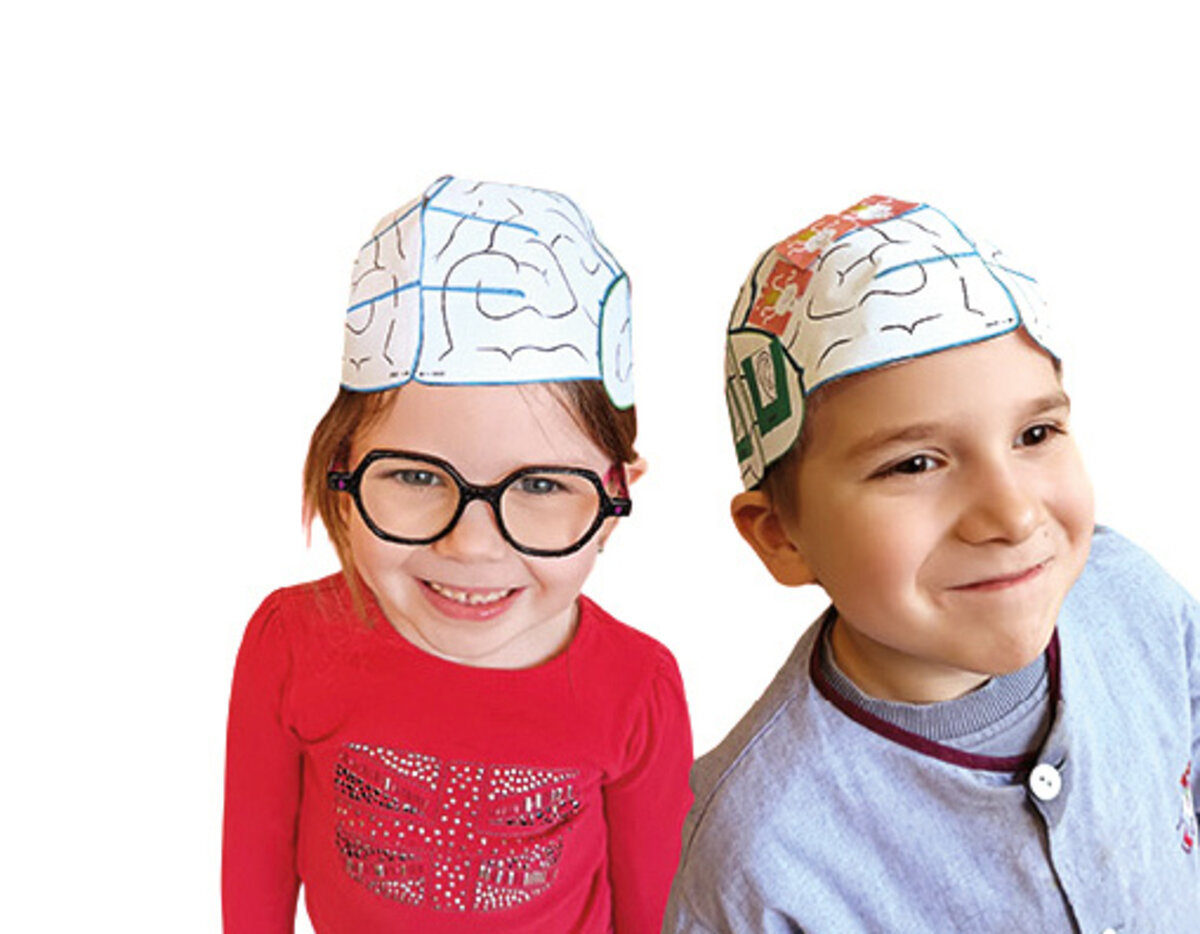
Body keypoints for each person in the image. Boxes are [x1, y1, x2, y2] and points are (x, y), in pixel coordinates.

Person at [664, 196, 1200, 931]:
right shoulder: (757, 856)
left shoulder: (1134, 599)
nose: (1011, 515)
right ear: (780, 535)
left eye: (1035, 433)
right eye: (915, 463)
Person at [223, 176, 692, 933]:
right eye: (414, 476)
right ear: (344, 474)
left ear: (615, 498)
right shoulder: (292, 641)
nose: (470, 545)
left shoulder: (639, 688)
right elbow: (254, 870)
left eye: (541, 484)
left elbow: (657, 909)